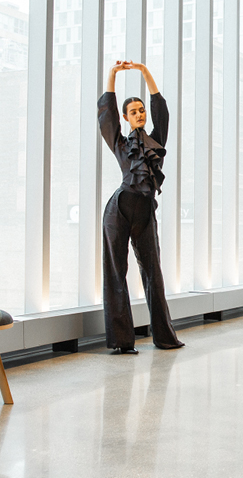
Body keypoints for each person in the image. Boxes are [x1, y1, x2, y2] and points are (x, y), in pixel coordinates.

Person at [98, 60, 184, 354]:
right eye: (133, 111)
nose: (139, 114)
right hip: (118, 210)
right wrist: (112, 75)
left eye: (141, 110)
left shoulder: (156, 141)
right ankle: (122, 342)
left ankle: (165, 337)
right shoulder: (120, 144)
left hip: (145, 212)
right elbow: (106, 116)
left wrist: (146, 72)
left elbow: (163, 113)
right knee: (115, 272)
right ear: (126, 117)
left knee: (153, 273)